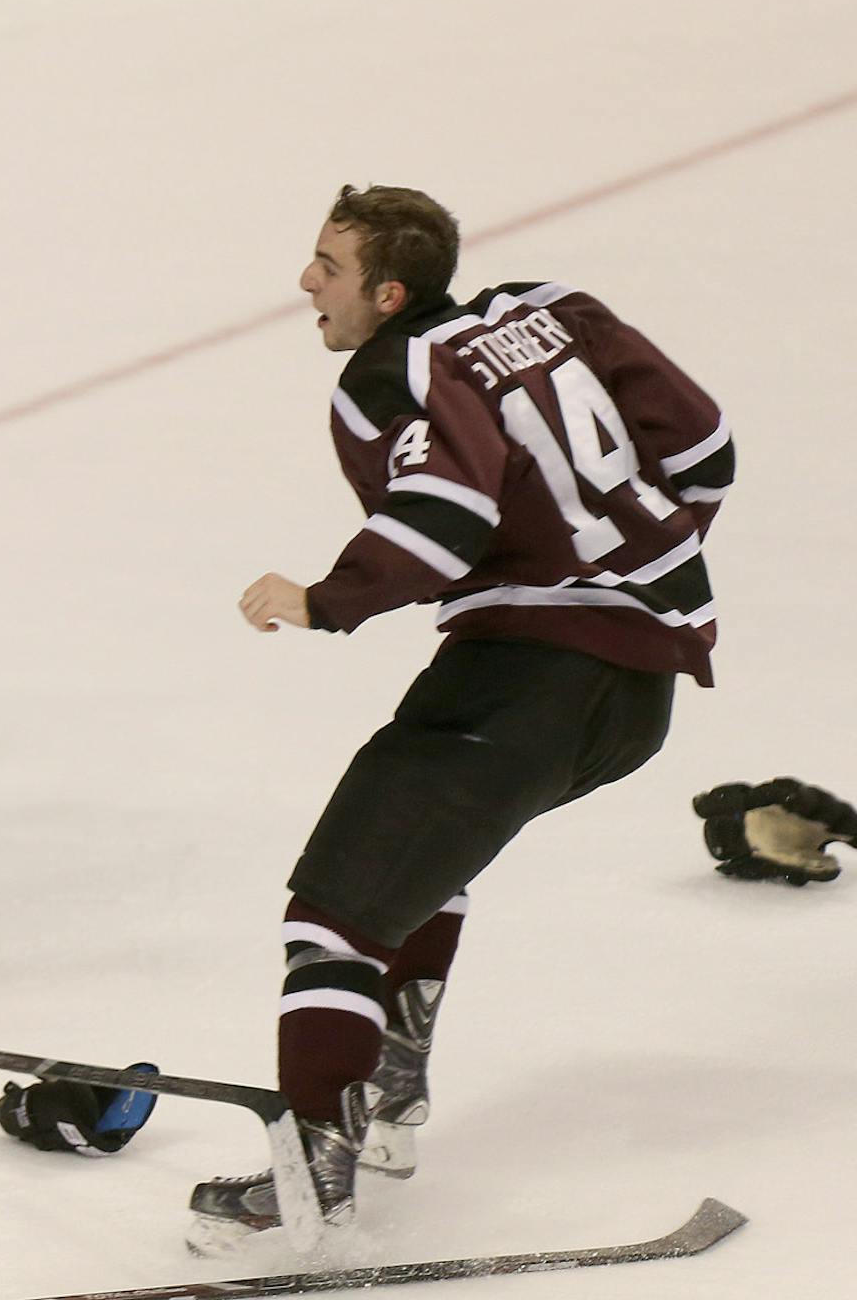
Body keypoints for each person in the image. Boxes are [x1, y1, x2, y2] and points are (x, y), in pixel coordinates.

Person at [187, 185, 735, 1252]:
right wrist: (621, 561)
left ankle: (311, 1177)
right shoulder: (551, 306)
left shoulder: (391, 371)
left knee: (333, 914)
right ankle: (389, 1089)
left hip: (530, 677)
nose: (307, 283)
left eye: (328, 267)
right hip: (636, 688)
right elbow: (704, 446)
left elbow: (447, 511)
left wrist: (326, 597)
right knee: (429, 850)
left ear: (389, 292)